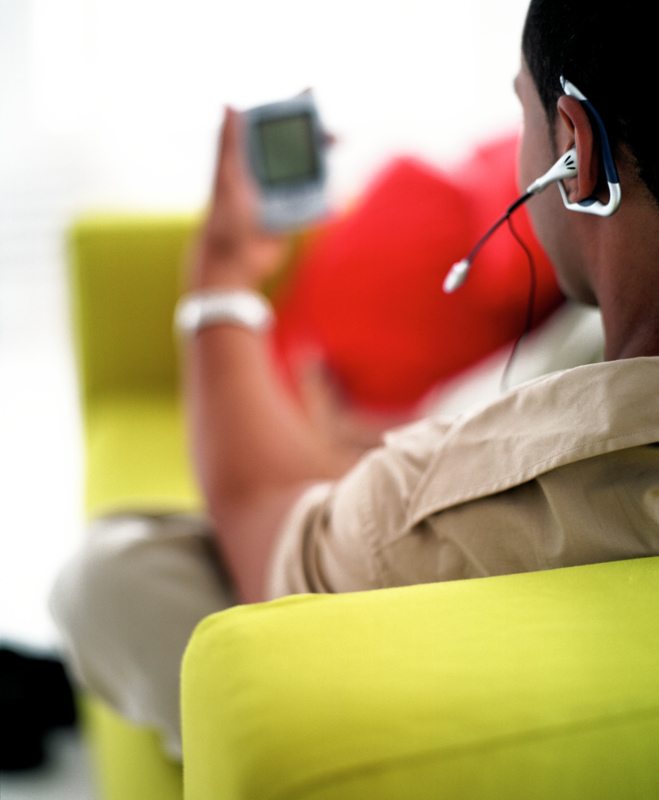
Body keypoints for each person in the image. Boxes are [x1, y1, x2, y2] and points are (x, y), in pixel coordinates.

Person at [50, 0, 659, 761]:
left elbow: (263, 517)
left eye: (522, 114)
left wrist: (221, 275)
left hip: (393, 636)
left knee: (108, 572)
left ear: (576, 149)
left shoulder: (509, 491)